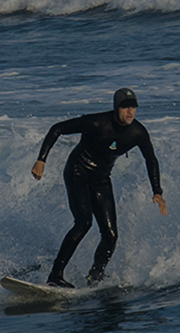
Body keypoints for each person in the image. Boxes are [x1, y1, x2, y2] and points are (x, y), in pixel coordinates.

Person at [31, 87, 168, 288]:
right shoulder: (96, 122)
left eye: (133, 107)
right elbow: (57, 129)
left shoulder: (138, 132)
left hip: (101, 179)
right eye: (125, 107)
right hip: (78, 171)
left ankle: (95, 276)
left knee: (111, 235)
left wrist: (157, 191)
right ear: (115, 107)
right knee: (84, 222)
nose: (130, 112)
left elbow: (151, 160)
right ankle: (55, 276)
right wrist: (41, 160)